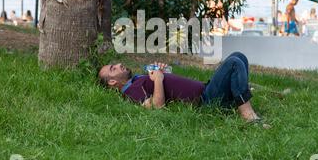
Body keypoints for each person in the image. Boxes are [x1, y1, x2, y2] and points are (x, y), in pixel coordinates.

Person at [98, 52, 263, 124]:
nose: (119, 64)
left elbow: (167, 84)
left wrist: (162, 73)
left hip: (207, 89)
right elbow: (156, 106)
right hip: (206, 100)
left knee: (238, 56)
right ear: (112, 82)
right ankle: (248, 115)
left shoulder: (137, 79)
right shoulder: (130, 91)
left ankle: (238, 100)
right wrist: (158, 79)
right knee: (234, 63)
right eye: (113, 68)